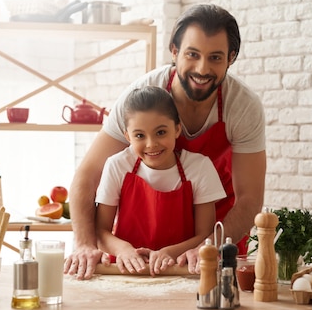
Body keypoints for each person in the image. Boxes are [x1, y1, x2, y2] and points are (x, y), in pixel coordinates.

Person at [65, 4, 266, 280]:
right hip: (136, 252)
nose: (202, 68)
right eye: (192, 54)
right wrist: (85, 244)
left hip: (214, 238)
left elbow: (250, 199)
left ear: (231, 58)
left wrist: (209, 246)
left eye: (215, 57)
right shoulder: (140, 98)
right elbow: (87, 176)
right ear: (174, 51)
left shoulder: (243, 107)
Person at [95, 85, 226, 277]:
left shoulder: (199, 167)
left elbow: (205, 235)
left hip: (180, 270)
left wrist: (169, 253)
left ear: (177, 129)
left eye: (161, 132)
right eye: (139, 135)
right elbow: (100, 231)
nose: (151, 144)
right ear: (127, 136)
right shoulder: (117, 165)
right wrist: (123, 250)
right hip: (127, 272)